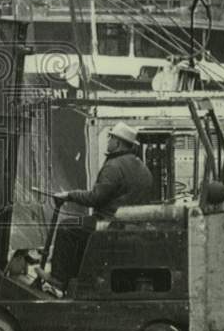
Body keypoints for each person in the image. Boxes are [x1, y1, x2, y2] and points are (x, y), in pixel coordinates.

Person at [47, 122, 154, 289]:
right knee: (82, 227)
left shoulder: (114, 166)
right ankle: (77, 280)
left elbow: (95, 198)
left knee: (67, 228)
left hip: (109, 224)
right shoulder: (142, 168)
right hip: (131, 225)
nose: (108, 140)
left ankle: (58, 281)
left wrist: (69, 195)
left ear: (118, 143)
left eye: (111, 137)